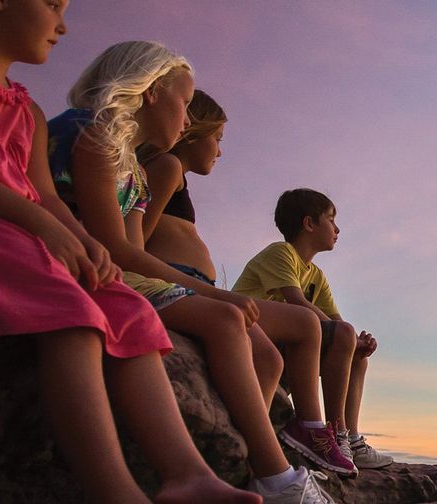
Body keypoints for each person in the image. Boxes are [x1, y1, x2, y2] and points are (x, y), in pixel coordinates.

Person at [0, 1, 257, 502]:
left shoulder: (27, 111)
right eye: (53, 4)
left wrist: (83, 245)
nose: (63, 24)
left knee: (125, 305)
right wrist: (39, 224)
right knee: (73, 314)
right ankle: (117, 491)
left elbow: (47, 198)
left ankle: (187, 473)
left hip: (8, 224)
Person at [46, 41, 342, 499]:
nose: (188, 120)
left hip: (128, 268)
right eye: (184, 103)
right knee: (227, 319)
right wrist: (219, 296)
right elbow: (118, 250)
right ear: (151, 92)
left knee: (267, 356)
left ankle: (233, 470)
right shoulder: (99, 136)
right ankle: (279, 477)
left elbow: (128, 246)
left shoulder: (136, 174)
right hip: (91, 265)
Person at [139, 92, 365, 476]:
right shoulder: (167, 167)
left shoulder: (175, 174)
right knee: (307, 324)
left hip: (194, 283)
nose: (221, 151)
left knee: (297, 347)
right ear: (193, 131)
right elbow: (136, 240)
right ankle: (308, 432)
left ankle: (279, 444)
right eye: (219, 138)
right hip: (178, 281)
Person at [233, 188, 395, 470]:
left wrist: (359, 343)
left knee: (355, 353)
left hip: (294, 344)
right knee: (343, 335)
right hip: (257, 339)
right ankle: (333, 434)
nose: (337, 228)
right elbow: (296, 302)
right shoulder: (281, 253)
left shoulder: (316, 275)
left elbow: (336, 321)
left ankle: (351, 440)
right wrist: (347, 335)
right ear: (309, 224)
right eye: (331, 220)